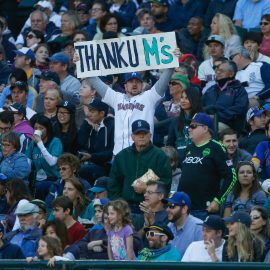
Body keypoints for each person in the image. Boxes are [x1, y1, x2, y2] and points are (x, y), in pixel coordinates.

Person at [74, 48, 179, 155]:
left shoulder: (149, 97)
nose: (134, 84)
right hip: (119, 155)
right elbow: (95, 81)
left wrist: (172, 63)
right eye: (130, 82)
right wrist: (81, 63)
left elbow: (163, 81)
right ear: (125, 86)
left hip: (143, 153)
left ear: (142, 85)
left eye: (137, 82)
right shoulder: (116, 97)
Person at [179, 112, 236, 220]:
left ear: (205, 128)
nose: (189, 129)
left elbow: (232, 176)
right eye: (189, 126)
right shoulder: (189, 148)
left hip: (203, 210)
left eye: (193, 126)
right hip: (183, 209)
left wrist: (218, 200)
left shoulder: (217, 148)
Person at [109, 119, 172, 212]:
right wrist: (119, 204)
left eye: (145, 133)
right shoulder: (122, 156)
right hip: (126, 207)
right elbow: (113, 183)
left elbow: (166, 182)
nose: (141, 136)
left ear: (150, 135)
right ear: (132, 137)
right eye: (138, 133)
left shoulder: (160, 156)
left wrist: (147, 189)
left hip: (150, 207)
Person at [202, 58, 248, 133]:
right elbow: (200, 106)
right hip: (207, 122)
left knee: (215, 127)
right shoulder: (210, 90)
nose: (218, 72)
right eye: (217, 70)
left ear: (231, 74)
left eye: (221, 71)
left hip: (229, 127)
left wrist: (216, 117)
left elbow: (238, 111)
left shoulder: (239, 90)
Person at [26, 114, 63, 200]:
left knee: (40, 186)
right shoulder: (32, 144)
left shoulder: (55, 142)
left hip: (53, 178)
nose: (38, 131)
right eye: (35, 128)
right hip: (37, 178)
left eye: (41, 128)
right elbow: (27, 162)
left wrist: (40, 143)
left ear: (48, 129)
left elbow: (52, 162)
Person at [78, 98, 114, 183]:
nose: (88, 114)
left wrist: (92, 156)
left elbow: (111, 153)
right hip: (92, 163)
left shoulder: (112, 126)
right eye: (89, 110)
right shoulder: (91, 125)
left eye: (92, 111)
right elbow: (80, 143)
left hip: (106, 167)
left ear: (101, 113)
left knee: (84, 170)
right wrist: (86, 124)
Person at [163, 191, 203, 256]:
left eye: (172, 206)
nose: (167, 210)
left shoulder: (198, 228)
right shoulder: (168, 226)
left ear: (184, 209)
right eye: (167, 206)